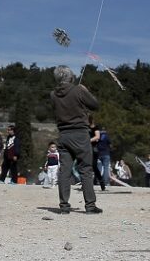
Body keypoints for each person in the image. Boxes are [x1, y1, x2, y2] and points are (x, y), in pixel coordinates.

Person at [51, 65, 101, 214]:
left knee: (64, 171)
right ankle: (90, 206)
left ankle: (64, 206)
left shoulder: (52, 94)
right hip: (80, 134)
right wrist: (85, 91)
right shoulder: (79, 90)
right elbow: (95, 105)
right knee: (85, 169)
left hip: (63, 135)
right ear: (70, 76)